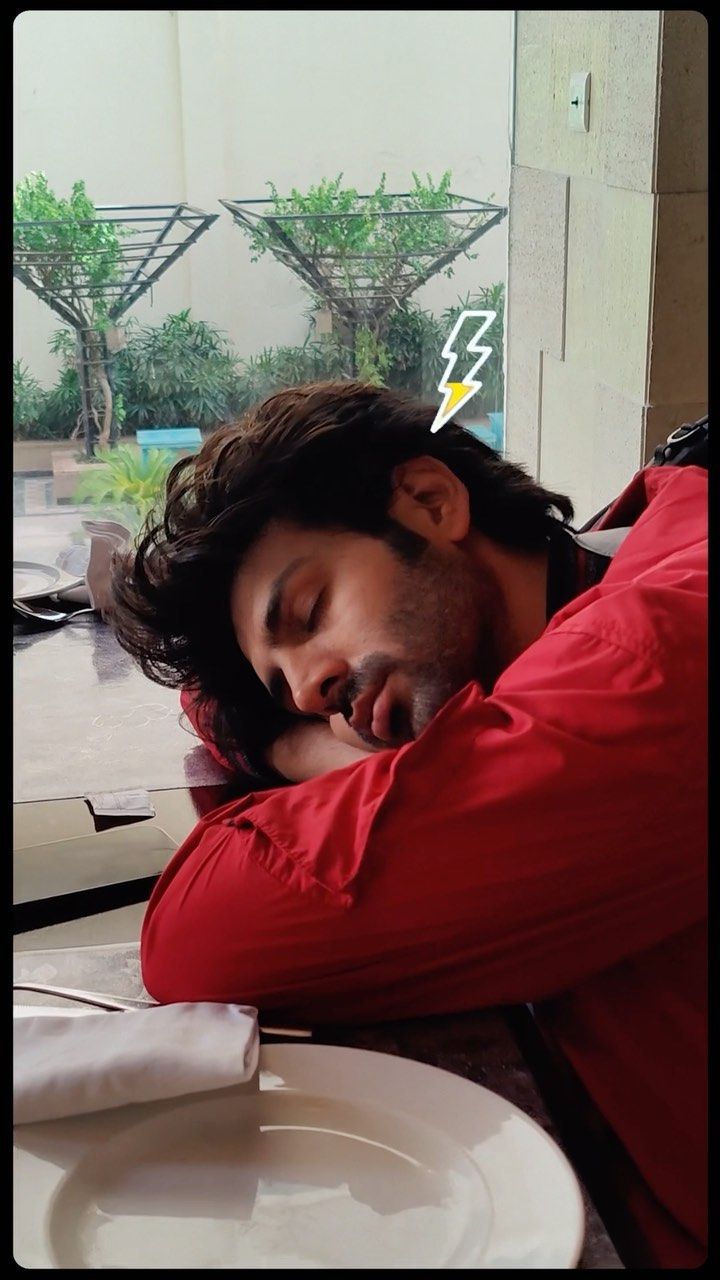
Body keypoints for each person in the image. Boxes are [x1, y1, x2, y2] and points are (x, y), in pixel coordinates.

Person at [109, 381, 707, 1267]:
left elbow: (202, 937)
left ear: (431, 501)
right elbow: (218, 704)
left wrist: (308, 748)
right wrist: (284, 732)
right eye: (290, 693)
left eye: (307, 613)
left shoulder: (660, 656)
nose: (314, 691)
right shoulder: (589, 570)